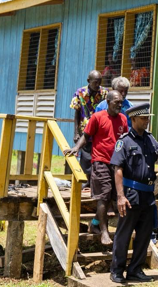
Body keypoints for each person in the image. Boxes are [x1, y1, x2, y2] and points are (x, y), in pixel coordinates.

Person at [109, 103, 158, 283]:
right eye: (143, 118)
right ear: (133, 119)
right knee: (124, 234)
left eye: (148, 118)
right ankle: (117, 271)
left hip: (148, 195)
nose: (147, 121)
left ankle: (135, 271)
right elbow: (117, 169)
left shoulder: (149, 139)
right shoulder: (124, 141)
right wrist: (120, 196)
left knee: (145, 235)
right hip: (131, 194)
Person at [65, 90, 128, 246]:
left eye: (121, 102)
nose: (119, 105)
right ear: (108, 102)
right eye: (116, 102)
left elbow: (125, 140)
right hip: (100, 161)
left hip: (117, 163)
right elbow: (86, 136)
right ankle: (104, 232)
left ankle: (94, 223)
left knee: (113, 196)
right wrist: (76, 148)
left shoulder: (123, 119)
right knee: (103, 196)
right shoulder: (97, 117)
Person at [69, 70, 108, 182]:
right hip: (85, 131)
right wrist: (76, 133)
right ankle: (86, 182)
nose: (98, 85)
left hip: (100, 131)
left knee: (98, 157)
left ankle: (95, 182)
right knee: (86, 157)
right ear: (88, 81)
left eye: (99, 82)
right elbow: (76, 113)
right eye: (95, 82)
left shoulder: (105, 93)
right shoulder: (80, 93)